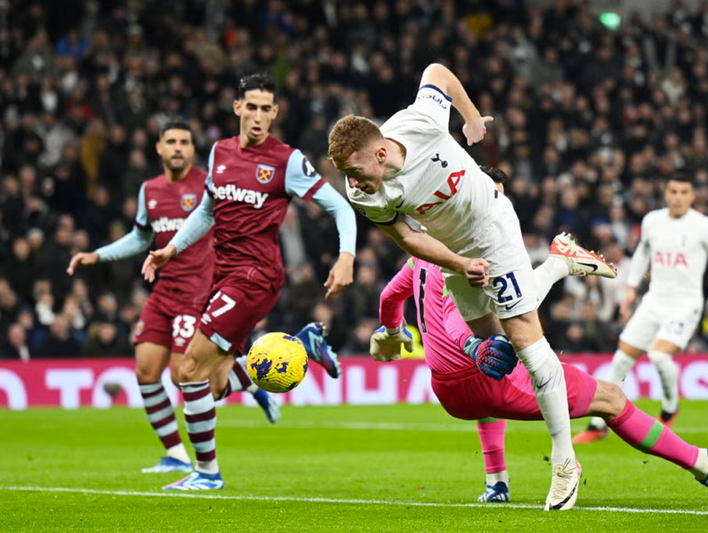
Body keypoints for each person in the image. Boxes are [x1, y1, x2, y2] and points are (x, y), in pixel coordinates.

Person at [329, 63, 616, 511]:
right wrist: (461, 264)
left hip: (493, 229)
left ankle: (564, 462)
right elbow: (409, 238)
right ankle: (559, 263)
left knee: (527, 344)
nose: (352, 181)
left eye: (355, 169)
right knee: (496, 344)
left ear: (381, 153)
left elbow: (437, 72)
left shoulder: (419, 122)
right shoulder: (365, 194)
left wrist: (472, 117)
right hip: (455, 253)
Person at [375, 254, 708, 502]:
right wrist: (474, 346)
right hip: (478, 370)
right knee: (609, 397)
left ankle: (496, 484)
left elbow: (389, 299)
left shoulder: (416, 259)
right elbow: (454, 313)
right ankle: (705, 464)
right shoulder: (466, 249)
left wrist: (394, 333)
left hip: (447, 390)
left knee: (494, 383)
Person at [142, 74, 357, 491]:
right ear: (237, 107)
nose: (259, 116)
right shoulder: (220, 152)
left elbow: (340, 208)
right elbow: (206, 211)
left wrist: (346, 256)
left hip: (255, 277)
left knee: (188, 370)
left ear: (275, 113)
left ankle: (207, 474)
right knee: (214, 385)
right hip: (223, 275)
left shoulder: (287, 160)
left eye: (266, 109)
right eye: (251, 107)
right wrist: (172, 248)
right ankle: (301, 345)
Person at [68, 122, 285, 474]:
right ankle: (176, 455)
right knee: (145, 370)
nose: (179, 147)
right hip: (163, 291)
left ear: (192, 149)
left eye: (185, 142)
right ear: (159, 148)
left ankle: (254, 379)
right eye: (171, 141)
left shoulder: (211, 182)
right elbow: (141, 238)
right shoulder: (149, 190)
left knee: (187, 379)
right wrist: (98, 255)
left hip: (199, 292)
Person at [573, 175, 708, 444]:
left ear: (692, 196)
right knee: (621, 359)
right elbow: (642, 253)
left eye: (683, 191)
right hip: (653, 301)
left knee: (659, 356)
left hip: (686, 304)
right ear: (666, 193)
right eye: (673, 191)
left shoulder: (703, 226)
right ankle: (597, 425)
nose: (677, 196)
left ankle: (670, 407)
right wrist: (630, 289)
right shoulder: (652, 221)